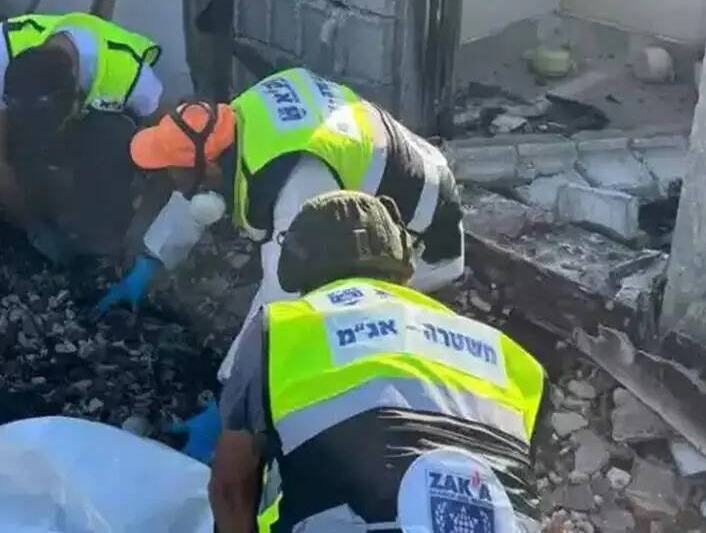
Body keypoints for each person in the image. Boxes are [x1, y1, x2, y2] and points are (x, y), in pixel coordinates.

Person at [94, 67, 467, 459]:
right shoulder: (233, 120)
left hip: (422, 234)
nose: (171, 181)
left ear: (214, 166)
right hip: (383, 176)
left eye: (175, 173)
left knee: (327, 326)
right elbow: (195, 189)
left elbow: (280, 300)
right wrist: (150, 264)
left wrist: (229, 407)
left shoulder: (295, 185)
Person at [210, 191, 546, 533]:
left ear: (296, 264)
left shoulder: (283, 326)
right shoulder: (509, 356)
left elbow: (231, 489)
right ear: (402, 260)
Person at [0, 11, 167, 262]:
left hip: (97, 137)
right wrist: (30, 223)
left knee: (112, 135)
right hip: (28, 136)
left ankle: (101, 238)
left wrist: (141, 236)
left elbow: (172, 147)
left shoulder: (132, 76)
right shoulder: (2, 48)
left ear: (76, 99)